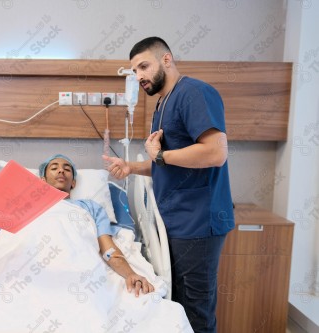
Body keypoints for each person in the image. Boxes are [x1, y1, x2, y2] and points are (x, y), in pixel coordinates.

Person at [103, 37, 235, 332]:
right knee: (180, 308)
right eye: (134, 71)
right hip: (177, 221)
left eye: (144, 66)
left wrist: (161, 154)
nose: (139, 77)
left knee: (196, 311)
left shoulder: (194, 94)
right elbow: (168, 163)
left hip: (198, 221)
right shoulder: (162, 103)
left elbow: (216, 153)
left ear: (166, 59)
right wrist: (133, 166)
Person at [38, 154, 156, 297]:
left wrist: (130, 274)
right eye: (54, 168)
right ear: (43, 181)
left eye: (67, 169)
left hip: (78, 265)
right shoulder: (27, 207)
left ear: (73, 183)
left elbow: (108, 249)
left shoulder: (90, 207)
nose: (61, 171)